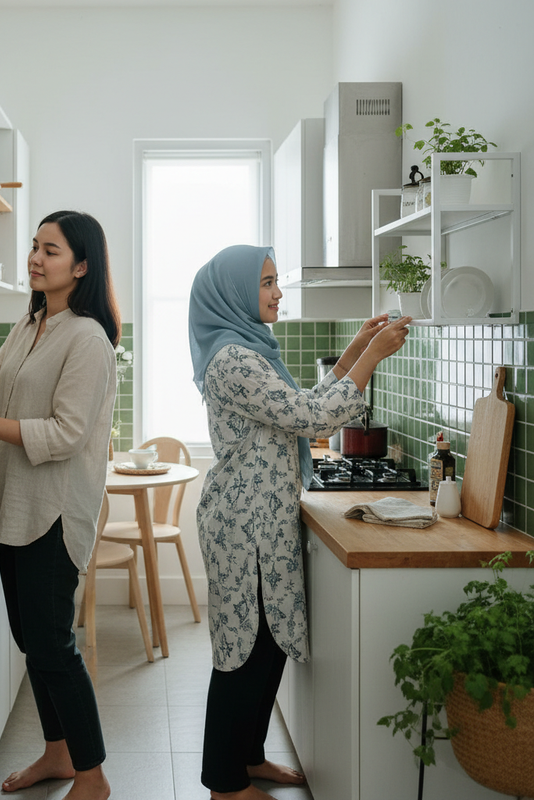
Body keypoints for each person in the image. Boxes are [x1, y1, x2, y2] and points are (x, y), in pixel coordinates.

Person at [187, 244, 411, 800]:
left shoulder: (251, 350)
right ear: (236, 292)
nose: (277, 292)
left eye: (275, 281)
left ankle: (249, 756)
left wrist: (356, 349)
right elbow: (311, 417)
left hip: (263, 519)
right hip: (243, 525)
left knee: (269, 645)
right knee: (243, 649)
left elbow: (297, 403)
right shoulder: (232, 359)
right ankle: (224, 782)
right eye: (266, 282)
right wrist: (373, 358)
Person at [0, 210, 119, 800]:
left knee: (54, 646)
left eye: (51, 251)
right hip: (15, 506)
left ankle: (93, 776)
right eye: (35, 247)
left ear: (81, 266)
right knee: (34, 643)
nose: (36, 258)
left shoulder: (87, 338)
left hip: (54, 513)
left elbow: (65, 433)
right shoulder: (30, 324)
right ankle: (58, 755)